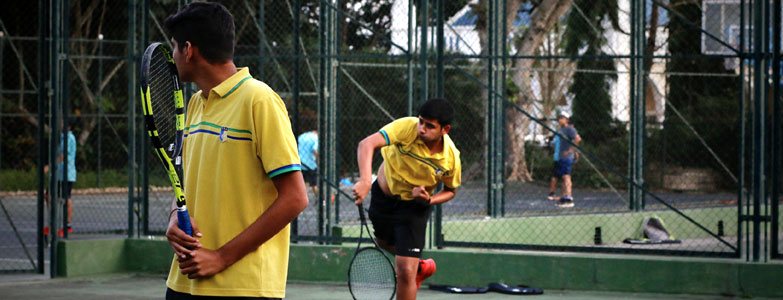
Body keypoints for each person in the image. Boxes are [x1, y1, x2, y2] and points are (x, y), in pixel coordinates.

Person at [162, 3, 308, 299]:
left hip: (244, 287)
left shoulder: (259, 100)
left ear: (189, 50)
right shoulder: (194, 104)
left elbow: (295, 198)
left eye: (174, 48)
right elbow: (198, 185)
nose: (173, 56)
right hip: (184, 282)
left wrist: (220, 257)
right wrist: (173, 218)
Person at [352, 98, 462, 300]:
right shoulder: (406, 128)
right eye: (421, 122)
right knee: (383, 242)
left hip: (414, 208)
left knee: (404, 271)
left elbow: (451, 190)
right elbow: (366, 144)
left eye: (430, 126)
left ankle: (412, 268)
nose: (422, 129)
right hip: (383, 199)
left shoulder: (451, 158)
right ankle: (419, 266)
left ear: (444, 129)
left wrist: (429, 200)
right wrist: (366, 181)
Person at [43, 118, 77, 237]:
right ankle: (53, 223)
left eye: (63, 123)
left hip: (66, 174)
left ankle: (67, 226)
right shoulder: (62, 137)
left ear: (69, 127)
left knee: (66, 199)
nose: (61, 124)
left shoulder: (70, 138)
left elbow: (63, 156)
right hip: (57, 174)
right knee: (48, 196)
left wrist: (49, 166)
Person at [547, 113, 581, 208]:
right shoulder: (560, 130)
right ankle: (564, 197)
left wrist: (571, 150)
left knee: (566, 176)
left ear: (566, 119)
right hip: (560, 157)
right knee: (562, 177)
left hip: (566, 158)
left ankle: (568, 198)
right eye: (559, 118)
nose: (559, 120)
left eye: (561, 118)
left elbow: (577, 139)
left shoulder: (570, 129)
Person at [297, 130, 319, 195]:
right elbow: (315, 150)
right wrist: (317, 160)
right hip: (310, 164)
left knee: (299, 183)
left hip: (300, 163)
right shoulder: (315, 137)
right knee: (314, 183)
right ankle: (320, 199)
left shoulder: (301, 136)